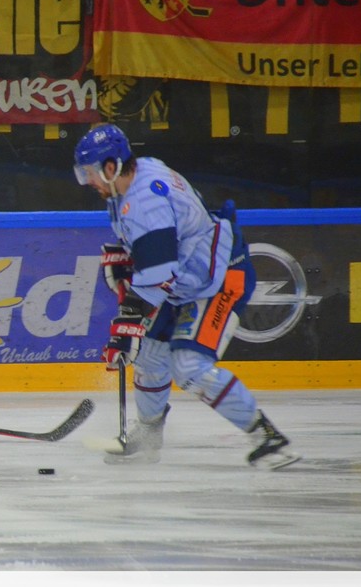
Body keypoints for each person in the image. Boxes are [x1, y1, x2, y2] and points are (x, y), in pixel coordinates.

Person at [73, 123, 300, 470]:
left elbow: (159, 271)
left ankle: (267, 438)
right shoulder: (134, 177)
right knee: (149, 356)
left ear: (111, 166)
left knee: (189, 367)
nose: (87, 180)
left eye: (89, 172)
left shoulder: (145, 201)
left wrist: (128, 323)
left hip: (218, 279)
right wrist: (128, 258)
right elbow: (160, 247)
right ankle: (149, 436)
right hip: (185, 280)